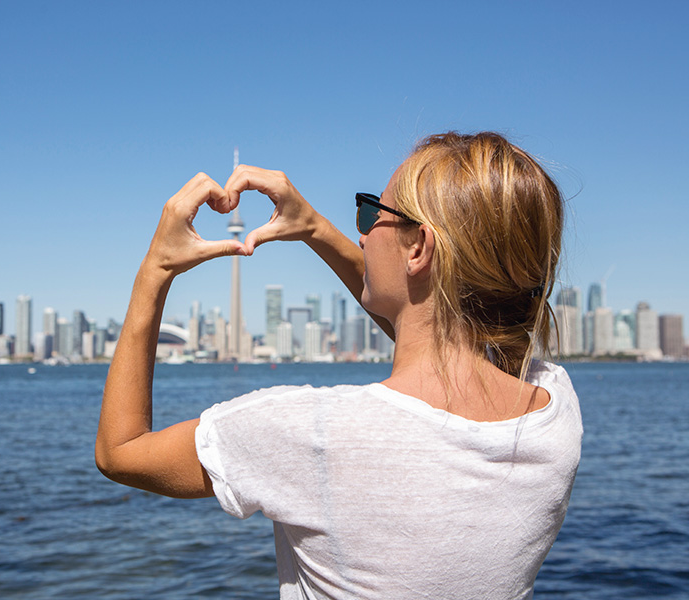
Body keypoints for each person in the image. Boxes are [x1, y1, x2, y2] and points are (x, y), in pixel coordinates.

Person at [95, 132, 583, 599]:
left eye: (372, 213)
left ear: (419, 248)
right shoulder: (553, 408)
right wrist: (314, 227)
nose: (362, 232)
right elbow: (442, 335)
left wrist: (155, 270)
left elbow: (121, 451)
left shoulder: (312, 433)